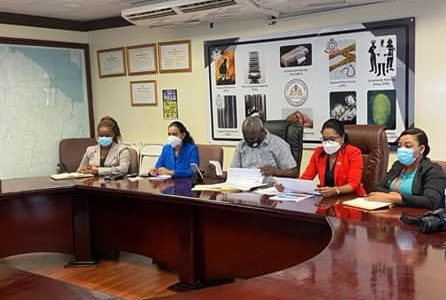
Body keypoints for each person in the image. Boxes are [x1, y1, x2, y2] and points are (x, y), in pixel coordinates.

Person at [368, 128, 445, 209]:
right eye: (399, 146)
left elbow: (431, 201)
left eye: (408, 146)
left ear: (421, 149)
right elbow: (377, 188)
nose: (402, 149)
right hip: (393, 212)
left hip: (417, 216)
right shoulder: (398, 165)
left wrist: (396, 198)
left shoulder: (433, 170)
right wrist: (393, 195)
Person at [300, 118, 366, 197]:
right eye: (325, 139)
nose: (328, 142)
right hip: (327, 198)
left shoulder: (353, 153)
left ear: (342, 137)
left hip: (351, 198)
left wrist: (336, 190)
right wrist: (289, 187)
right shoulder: (318, 153)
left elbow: (353, 184)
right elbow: (306, 178)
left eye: (332, 139)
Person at [231, 116, 298, 177]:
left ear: (262, 132)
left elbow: (294, 173)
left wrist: (276, 171)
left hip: (270, 186)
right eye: (246, 138)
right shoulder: (241, 145)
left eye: (252, 139)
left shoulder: (278, 144)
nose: (249, 142)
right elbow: (234, 172)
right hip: (246, 185)